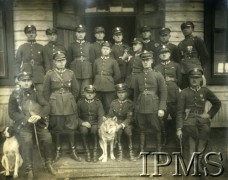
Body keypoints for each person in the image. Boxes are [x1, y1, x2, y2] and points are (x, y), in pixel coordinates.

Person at [8, 71, 56, 179]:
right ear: (19, 82)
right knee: (27, 140)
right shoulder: (14, 95)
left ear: (31, 82)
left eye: (28, 81)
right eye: (23, 81)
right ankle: (29, 168)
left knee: (47, 138)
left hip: (38, 123)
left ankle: (48, 163)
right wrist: (26, 119)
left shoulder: (36, 93)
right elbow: (12, 113)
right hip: (24, 124)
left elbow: (46, 106)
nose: (26, 83)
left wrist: (39, 115)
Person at [176, 67, 221, 169]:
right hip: (189, 120)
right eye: (192, 77)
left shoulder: (205, 91)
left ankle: (199, 159)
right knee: (191, 132)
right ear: (189, 79)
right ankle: (192, 160)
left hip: (202, 119)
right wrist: (178, 128)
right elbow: (179, 112)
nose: (194, 80)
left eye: (197, 77)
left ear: (201, 79)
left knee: (205, 130)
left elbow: (217, 103)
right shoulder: (183, 93)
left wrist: (209, 114)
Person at [43, 51, 81, 162]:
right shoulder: (49, 74)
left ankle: (73, 151)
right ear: (54, 62)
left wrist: (70, 98)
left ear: (66, 61)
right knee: (57, 128)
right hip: (55, 104)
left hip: (69, 103)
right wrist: (50, 102)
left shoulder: (70, 73)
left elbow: (75, 89)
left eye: (63, 60)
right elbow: (46, 91)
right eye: (58, 61)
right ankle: (58, 151)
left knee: (71, 128)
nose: (61, 63)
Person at [134, 51, 167, 159]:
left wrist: (161, 108)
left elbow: (163, 92)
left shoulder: (158, 75)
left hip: (153, 106)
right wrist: (136, 108)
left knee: (157, 129)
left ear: (152, 61)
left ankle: (159, 152)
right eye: (143, 60)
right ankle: (142, 151)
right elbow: (135, 94)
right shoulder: (138, 76)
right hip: (141, 106)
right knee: (141, 129)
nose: (145, 62)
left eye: (147, 60)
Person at [154, 45, 182, 145]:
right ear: (159, 56)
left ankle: (178, 139)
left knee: (176, 119)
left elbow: (180, 81)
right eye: (162, 53)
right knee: (162, 121)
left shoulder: (176, 65)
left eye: (166, 52)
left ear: (169, 54)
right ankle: (164, 139)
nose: (164, 54)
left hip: (174, 97)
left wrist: (172, 80)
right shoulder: (156, 67)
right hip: (162, 99)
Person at [15, 25, 49, 92]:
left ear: (36, 34)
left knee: (41, 95)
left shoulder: (41, 47)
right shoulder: (22, 47)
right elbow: (17, 63)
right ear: (26, 34)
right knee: (27, 95)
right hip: (26, 76)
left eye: (33, 33)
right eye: (29, 33)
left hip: (39, 76)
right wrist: (17, 76)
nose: (31, 35)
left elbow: (47, 63)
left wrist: (47, 76)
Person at [107, 83, 136, 162]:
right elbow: (110, 115)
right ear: (117, 94)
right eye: (119, 93)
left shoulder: (130, 103)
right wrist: (112, 119)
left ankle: (130, 152)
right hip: (116, 123)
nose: (121, 95)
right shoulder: (113, 103)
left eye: (123, 93)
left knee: (128, 132)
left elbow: (130, 118)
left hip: (127, 123)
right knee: (118, 132)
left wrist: (122, 125)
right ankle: (120, 152)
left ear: (126, 93)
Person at [178, 21, 209, 89]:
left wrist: (199, 68)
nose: (185, 29)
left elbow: (205, 56)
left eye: (188, 27)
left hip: (195, 70)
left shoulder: (197, 40)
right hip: (184, 71)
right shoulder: (181, 44)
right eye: (183, 28)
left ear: (192, 29)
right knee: (185, 90)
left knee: (196, 90)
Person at [77, 85, 105, 162]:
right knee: (83, 131)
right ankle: (87, 152)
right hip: (84, 122)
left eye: (92, 93)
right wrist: (82, 123)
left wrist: (99, 126)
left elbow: (101, 115)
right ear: (84, 93)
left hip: (95, 122)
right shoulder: (80, 102)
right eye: (88, 93)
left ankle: (95, 152)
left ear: (95, 94)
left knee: (94, 130)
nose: (89, 95)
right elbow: (76, 116)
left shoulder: (98, 103)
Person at [93, 41, 121, 114]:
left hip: (109, 87)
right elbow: (94, 73)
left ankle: (109, 121)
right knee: (97, 105)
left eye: (107, 49)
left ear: (110, 50)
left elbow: (117, 75)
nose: (105, 50)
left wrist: (110, 81)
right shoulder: (96, 61)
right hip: (98, 86)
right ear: (101, 49)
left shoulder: (113, 61)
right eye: (104, 48)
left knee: (108, 106)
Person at [67, 24, 92, 96]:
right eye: (78, 32)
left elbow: (92, 60)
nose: (80, 34)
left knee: (85, 92)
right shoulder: (71, 45)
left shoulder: (89, 45)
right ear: (76, 33)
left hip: (86, 72)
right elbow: (69, 60)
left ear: (85, 34)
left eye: (82, 32)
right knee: (75, 91)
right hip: (75, 72)